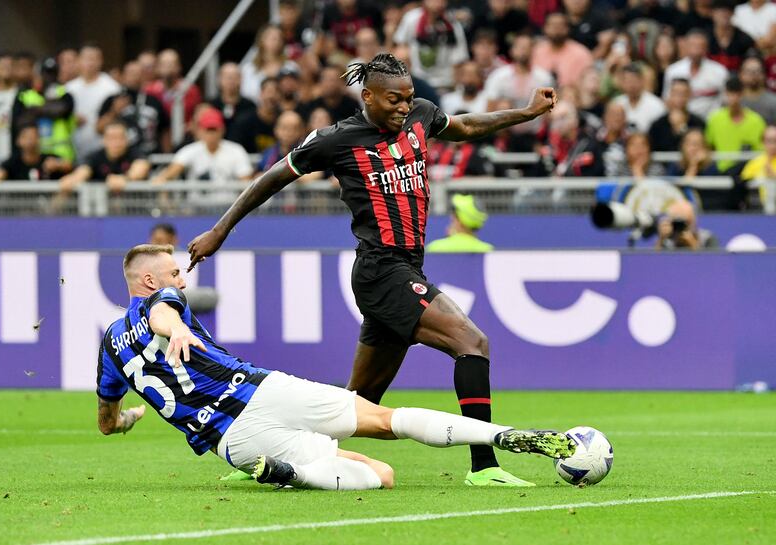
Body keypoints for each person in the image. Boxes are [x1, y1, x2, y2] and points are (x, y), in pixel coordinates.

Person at [187, 53, 558, 487]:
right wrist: (220, 230)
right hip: (381, 271)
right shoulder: (335, 140)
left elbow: (466, 127)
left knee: (357, 403)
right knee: (471, 342)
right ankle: (484, 466)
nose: (404, 107)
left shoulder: (421, 116)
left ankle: (276, 461)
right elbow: (272, 177)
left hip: (405, 266)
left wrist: (528, 112)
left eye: (408, 98)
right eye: (394, 100)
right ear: (368, 97)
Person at [98, 244, 575, 490]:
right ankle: (503, 436)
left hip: (233, 441)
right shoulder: (162, 304)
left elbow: (106, 420)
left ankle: (292, 474)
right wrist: (175, 328)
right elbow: (161, 313)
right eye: (175, 273)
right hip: (261, 390)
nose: (182, 280)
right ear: (149, 280)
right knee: (385, 424)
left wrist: (125, 421)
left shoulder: (109, 348)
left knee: (380, 473)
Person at [153, 107, 253, 184]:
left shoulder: (236, 150)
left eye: (214, 129)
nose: (211, 134)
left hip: (228, 205)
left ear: (222, 130)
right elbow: (172, 171)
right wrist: (162, 179)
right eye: (208, 130)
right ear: (200, 131)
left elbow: (245, 181)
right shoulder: (191, 150)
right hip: (197, 207)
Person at [57, 121, 150, 197]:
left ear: (127, 140)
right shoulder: (96, 156)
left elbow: (140, 168)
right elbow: (84, 170)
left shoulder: (135, 153)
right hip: (102, 209)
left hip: (133, 208)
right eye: (112, 138)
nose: (116, 143)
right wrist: (73, 179)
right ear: (104, 140)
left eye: (120, 138)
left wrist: (125, 179)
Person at [393, 0, 470, 90]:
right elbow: (399, 48)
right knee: (401, 54)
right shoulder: (411, 18)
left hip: (444, 84)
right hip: (417, 82)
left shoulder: (453, 25)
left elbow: (459, 61)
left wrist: (454, 90)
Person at [98, 61, 170, 155]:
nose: (135, 77)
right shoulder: (113, 99)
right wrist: (114, 111)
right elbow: (99, 129)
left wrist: (167, 154)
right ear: (123, 76)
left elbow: (165, 130)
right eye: (131, 73)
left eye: (138, 73)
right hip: (121, 155)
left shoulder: (153, 101)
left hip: (150, 153)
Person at [66, 44, 122, 159]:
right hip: (74, 149)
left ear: (101, 61)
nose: (90, 63)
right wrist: (73, 118)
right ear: (79, 61)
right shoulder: (69, 88)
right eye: (87, 58)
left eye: (94, 59)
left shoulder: (112, 87)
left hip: (102, 149)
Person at [662, 29, 728, 120]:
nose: (696, 50)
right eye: (693, 45)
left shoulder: (719, 71)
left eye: (700, 46)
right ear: (686, 46)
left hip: (710, 120)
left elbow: (725, 101)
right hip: (681, 120)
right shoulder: (673, 71)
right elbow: (667, 99)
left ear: (706, 48)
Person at [705, 76, 766, 172]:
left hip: (748, 174)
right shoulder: (715, 119)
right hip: (720, 172)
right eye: (730, 93)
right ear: (725, 93)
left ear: (743, 94)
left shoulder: (757, 121)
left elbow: (762, 152)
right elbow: (708, 147)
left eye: (737, 94)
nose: (734, 98)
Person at [0, 123, 71, 183]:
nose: (30, 141)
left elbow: (70, 166)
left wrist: (59, 165)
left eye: (34, 137)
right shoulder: (13, 163)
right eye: (26, 137)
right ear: (18, 140)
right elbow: (0, 173)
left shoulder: (49, 158)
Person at [531, 11, 594, 87]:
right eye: (553, 25)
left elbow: (587, 84)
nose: (557, 29)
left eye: (560, 25)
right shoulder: (536, 51)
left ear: (568, 28)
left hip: (572, 96)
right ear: (545, 28)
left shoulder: (581, 53)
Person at [144, 49, 202, 125]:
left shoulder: (190, 90)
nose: (168, 67)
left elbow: (197, 115)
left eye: (171, 63)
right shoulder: (149, 91)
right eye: (164, 64)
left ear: (179, 67)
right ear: (157, 68)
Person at [648, 78, 706, 152]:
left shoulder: (698, 123)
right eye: (676, 93)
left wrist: (682, 128)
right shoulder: (657, 125)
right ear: (670, 95)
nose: (680, 97)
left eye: (684, 93)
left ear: (690, 95)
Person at [426, 194, 494, 253]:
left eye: (455, 215)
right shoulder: (488, 250)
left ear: (459, 221)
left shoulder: (435, 248)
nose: (452, 217)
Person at [611, 64, 666, 133]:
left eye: (634, 80)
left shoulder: (656, 105)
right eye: (628, 81)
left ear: (642, 81)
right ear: (622, 83)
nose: (631, 85)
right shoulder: (617, 103)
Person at [740, 124, 776, 212]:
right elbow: (743, 183)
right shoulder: (755, 163)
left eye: (775, 141)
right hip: (757, 210)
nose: (773, 145)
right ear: (763, 142)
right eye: (769, 141)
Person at [740, 56, 776, 125]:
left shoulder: (774, 101)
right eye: (749, 71)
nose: (754, 75)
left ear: (764, 75)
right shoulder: (734, 100)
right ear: (741, 74)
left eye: (758, 71)